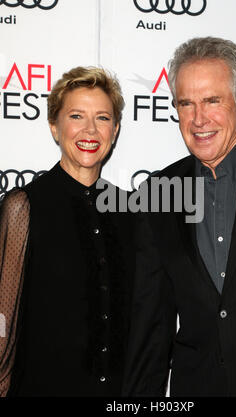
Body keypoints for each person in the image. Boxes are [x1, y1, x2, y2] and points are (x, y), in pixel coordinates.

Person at [122, 37, 236, 397]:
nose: (198, 119)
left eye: (212, 101)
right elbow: (151, 325)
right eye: (186, 103)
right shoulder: (156, 193)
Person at [0, 66, 134, 396]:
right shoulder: (24, 206)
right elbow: (4, 322)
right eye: (76, 116)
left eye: (102, 118)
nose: (90, 130)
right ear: (54, 127)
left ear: (115, 130)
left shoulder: (131, 211)